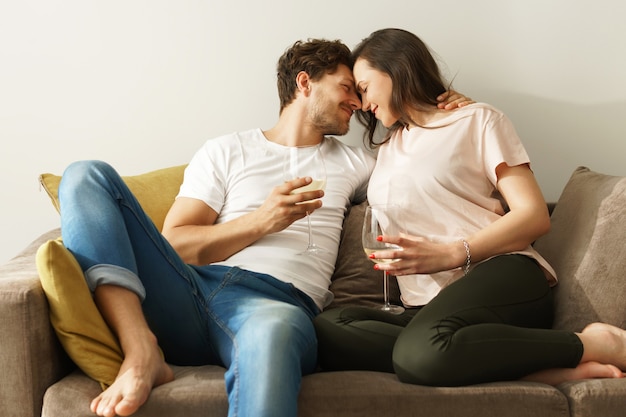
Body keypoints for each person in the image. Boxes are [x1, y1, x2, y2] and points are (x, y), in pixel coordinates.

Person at [57, 37, 470, 417]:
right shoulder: (226, 150)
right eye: (347, 88)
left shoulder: (357, 164)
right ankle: (140, 347)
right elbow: (177, 245)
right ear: (305, 82)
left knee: (270, 334)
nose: (358, 104)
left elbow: (426, 168)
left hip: (274, 306)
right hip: (186, 290)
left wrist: (450, 114)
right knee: (84, 176)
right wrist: (261, 221)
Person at [314, 28, 626, 388]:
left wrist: (450, 254)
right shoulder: (388, 148)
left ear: (396, 68)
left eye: (365, 88)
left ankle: (591, 344)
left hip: (500, 276)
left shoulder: (477, 119)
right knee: (327, 328)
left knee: (418, 354)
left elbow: (534, 215)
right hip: (425, 309)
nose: (363, 104)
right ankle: (514, 364)